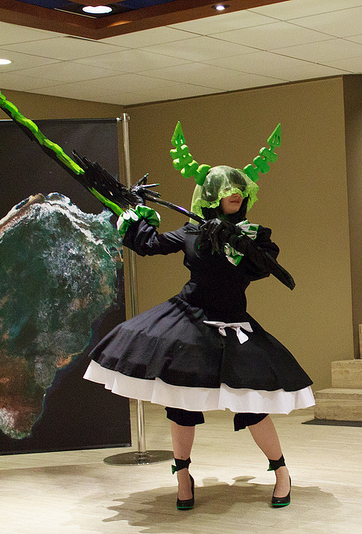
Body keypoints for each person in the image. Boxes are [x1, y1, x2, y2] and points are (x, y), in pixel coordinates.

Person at [84, 129, 314, 511]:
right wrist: (135, 212)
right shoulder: (193, 232)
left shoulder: (255, 236)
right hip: (189, 321)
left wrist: (235, 241)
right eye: (225, 189)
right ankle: (183, 477)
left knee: (252, 403)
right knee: (181, 403)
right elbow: (150, 244)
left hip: (233, 324)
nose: (233, 194)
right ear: (210, 195)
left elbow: (262, 267)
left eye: (238, 189)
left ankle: (282, 472)